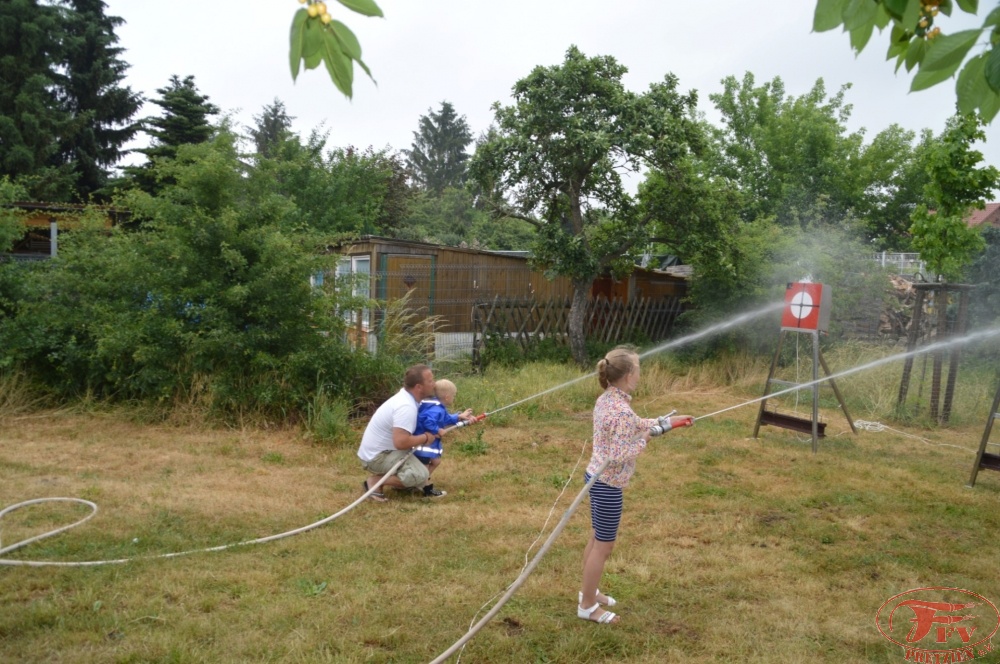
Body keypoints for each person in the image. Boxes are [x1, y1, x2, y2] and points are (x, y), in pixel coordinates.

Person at [578, 347, 694, 624]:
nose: (640, 375)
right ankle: (587, 606)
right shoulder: (620, 411)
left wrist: (667, 423)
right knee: (603, 547)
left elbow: (634, 424)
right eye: (638, 370)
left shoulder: (610, 400)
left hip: (595, 478)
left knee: (596, 539)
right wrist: (645, 440)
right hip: (608, 485)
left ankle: (589, 592)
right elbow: (619, 455)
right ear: (629, 375)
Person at [357, 364, 448, 502]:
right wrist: (425, 438)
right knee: (420, 475)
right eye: (430, 381)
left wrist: (458, 418)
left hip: (384, 451)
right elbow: (401, 442)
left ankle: (400, 481)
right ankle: (375, 482)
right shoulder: (406, 407)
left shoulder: (409, 398)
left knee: (418, 471)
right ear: (419, 387)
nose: (434, 384)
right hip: (376, 457)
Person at [413, 380, 475, 486]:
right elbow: (428, 421)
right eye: (453, 396)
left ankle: (420, 482)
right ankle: (423, 484)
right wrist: (437, 430)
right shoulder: (436, 409)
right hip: (424, 446)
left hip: (430, 445)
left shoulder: (439, 408)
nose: (454, 398)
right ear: (447, 397)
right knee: (425, 465)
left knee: (436, 462)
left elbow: (445, 419)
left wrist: (459, 416)